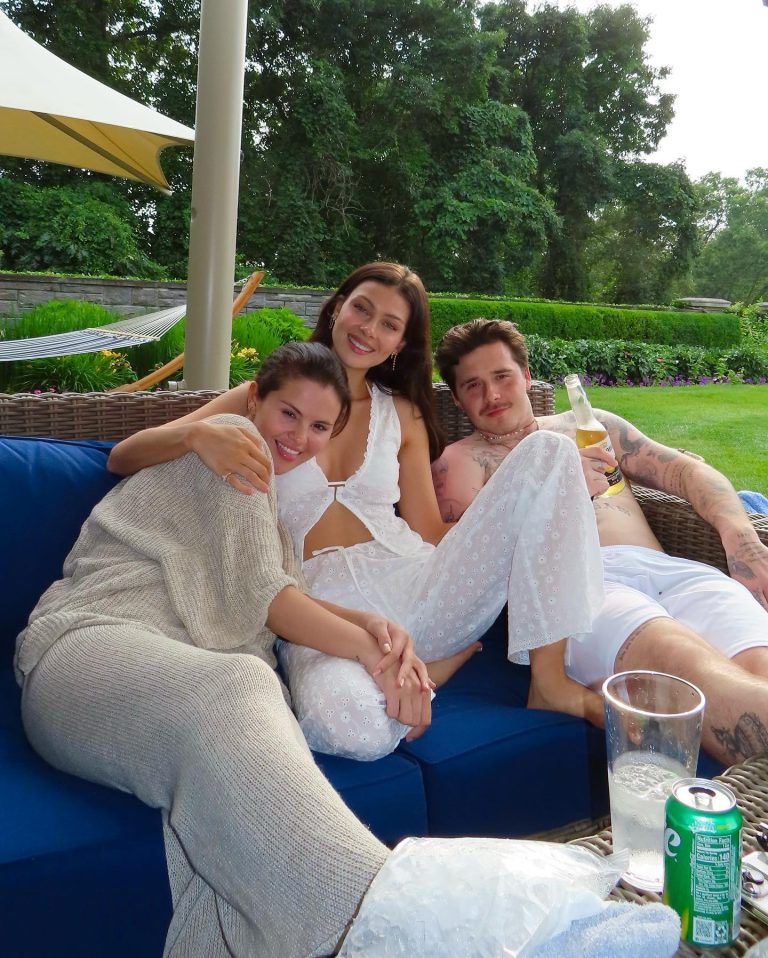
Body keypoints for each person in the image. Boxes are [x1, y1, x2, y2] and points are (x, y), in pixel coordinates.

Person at [15, 342, 437, 957]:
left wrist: (374, 626)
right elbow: (271, 603)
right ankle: (392, 928)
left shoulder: (268, 513)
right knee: (243, 681)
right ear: (255, 400)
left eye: (319, 427)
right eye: (288, 414)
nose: (299, 437)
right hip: (88, 647)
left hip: (166, 679)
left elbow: (275, 590)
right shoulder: (236, 444)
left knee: (243, 747)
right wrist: (373, 654)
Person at [107, 262, 605, 761]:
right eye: (361, 309)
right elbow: (122, 456)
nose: (369, 329)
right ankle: (432, 671)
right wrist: (197, 434)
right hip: (320, 611)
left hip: (420, 585)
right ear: (337, 308)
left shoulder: (403, 413)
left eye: (389, 324)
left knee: (551, 452)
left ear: (400, 343)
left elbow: (429, 531)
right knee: (352, 728)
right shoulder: (268, 397)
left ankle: (548, 683)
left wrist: (514, 516)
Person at [431, 318, 768, 765]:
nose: (491, 395)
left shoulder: (588, 425)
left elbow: (686, 471)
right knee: (686, 665)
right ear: (456, 398)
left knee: (759, 666)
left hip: (674, 572)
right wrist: (558, 488)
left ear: (527, 376)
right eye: (472, 386)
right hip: (583, 591)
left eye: (502, 376)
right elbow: (470, 563)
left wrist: (742, 537)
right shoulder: (459, 463)